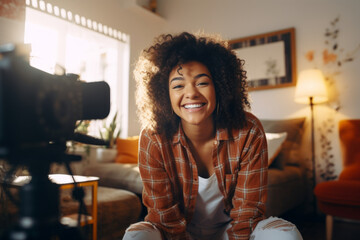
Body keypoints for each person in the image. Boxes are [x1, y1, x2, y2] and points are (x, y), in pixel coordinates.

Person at [123, 32, 303, 240]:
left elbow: (247, 215)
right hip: (176, 232)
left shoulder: (249, 130)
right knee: (135, 237)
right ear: (164, 95)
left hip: (231, 231)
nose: (191, 93)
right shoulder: (153, 137)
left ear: (219, 87)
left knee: (287, 235)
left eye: (202, 83)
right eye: (178, 85)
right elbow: (164, 218)